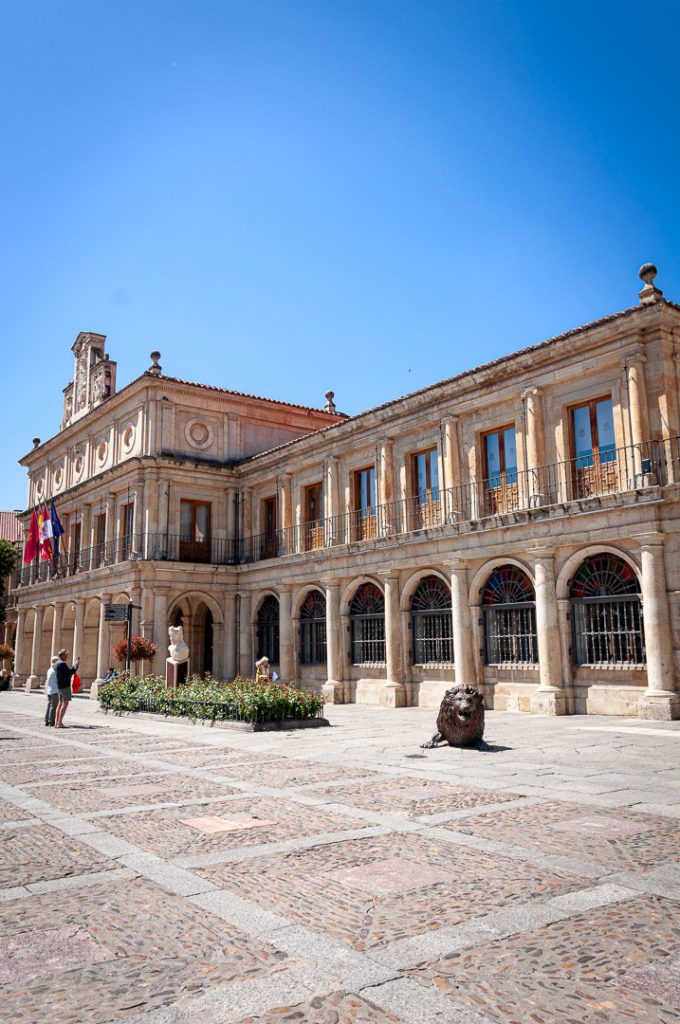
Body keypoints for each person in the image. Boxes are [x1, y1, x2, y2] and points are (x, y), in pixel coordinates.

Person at [54, 648, 80, 728]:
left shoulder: (57, 663)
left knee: (60, 704)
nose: (67, 657)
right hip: (65, 686)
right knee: (65, 704)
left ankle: (56, 722)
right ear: (63, 655)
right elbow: (70, 672)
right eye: (66, 655)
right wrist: (76, 665)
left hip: (60, 686)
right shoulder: (62, 664)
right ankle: (59, 723)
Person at [45, 656, 59, 726]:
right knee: (53, 706)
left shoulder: (49, 670)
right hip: (55, 690)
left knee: (49, 705)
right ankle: (51, 721)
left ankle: (46, 720)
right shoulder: (54, 671)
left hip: (49, 690)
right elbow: (57, 680)